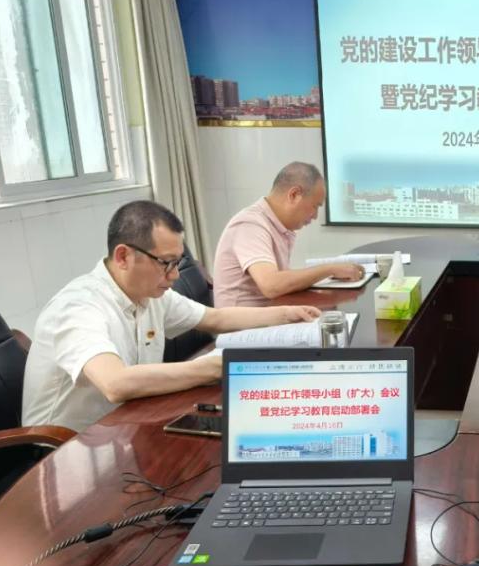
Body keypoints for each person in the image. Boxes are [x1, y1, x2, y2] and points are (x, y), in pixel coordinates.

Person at [22, 201, 322, 433]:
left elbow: (216, 318)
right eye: (166, 263)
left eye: (177, 263)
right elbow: (115, 383)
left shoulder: (149, 294)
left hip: (125, 426)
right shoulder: (78, 307)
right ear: (123, 256)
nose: (175, 275)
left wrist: (285, 314)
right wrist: (212, 368)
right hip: (64, 451)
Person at [212, 162, 364, 307]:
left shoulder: (277, 225)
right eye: (315, 206)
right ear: (294, 195)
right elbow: (271, 285)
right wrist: (329, 269)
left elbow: (279, 280)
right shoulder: (250, 225)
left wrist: (329, 272)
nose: (315, 216)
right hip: (244, 323)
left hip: (270, 311)